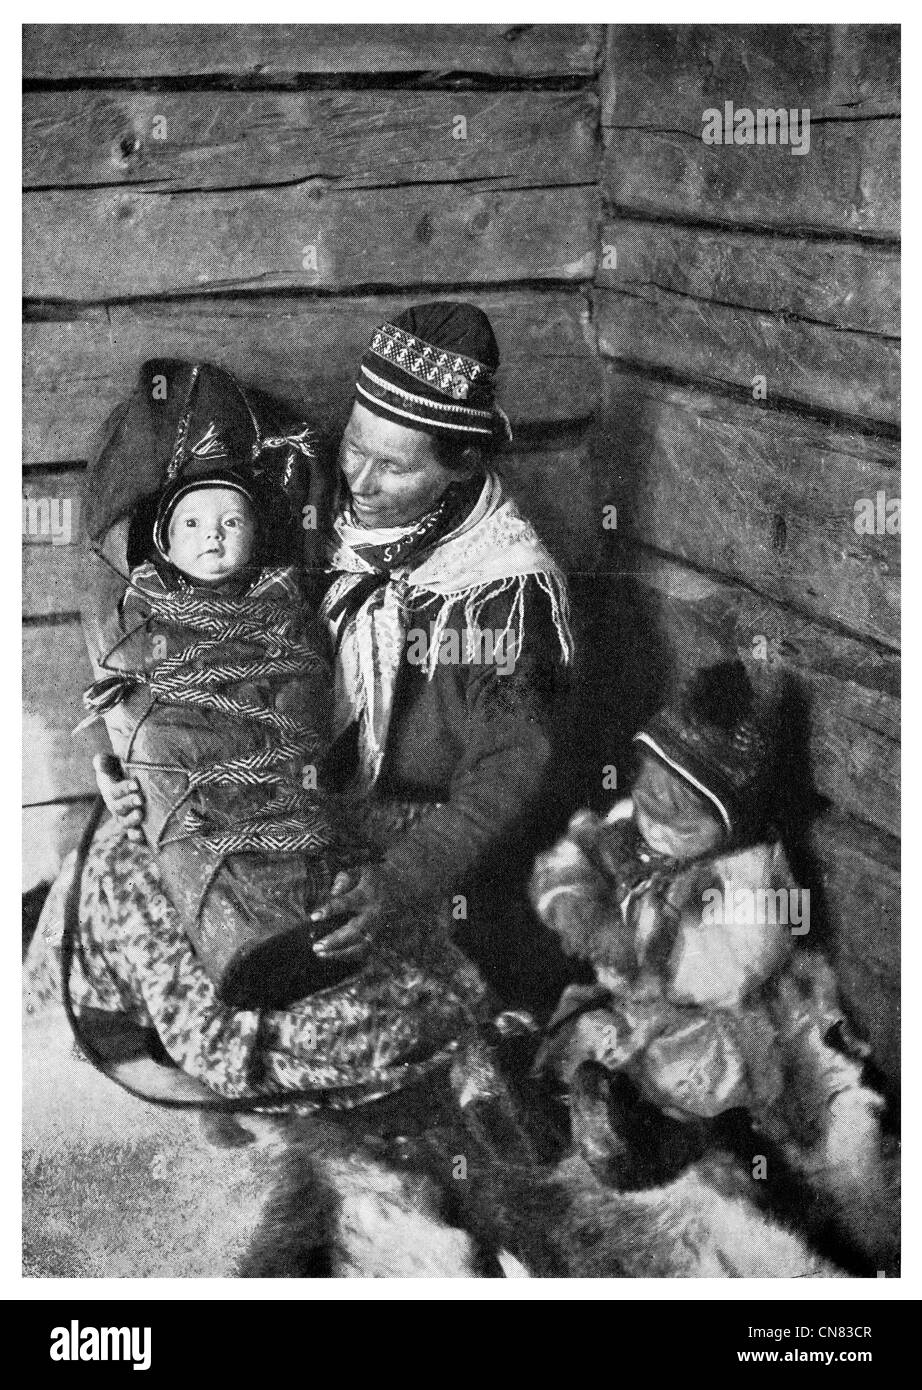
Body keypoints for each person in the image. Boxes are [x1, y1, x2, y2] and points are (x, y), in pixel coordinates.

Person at [27, 302, 575, 1108]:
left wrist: (400, 883)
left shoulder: (499, 601)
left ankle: (311, 1079)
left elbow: (507, 780)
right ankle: (72, 1063)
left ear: (460, 467)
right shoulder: (316, 510)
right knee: (116, 853)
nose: (361, 476)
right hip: (283, 795)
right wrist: (138, 760)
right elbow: (227, 661)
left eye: (395, 466)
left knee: (331, 1008)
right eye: (355, 443)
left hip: (403, 851)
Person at [530, 661, 893, 1259]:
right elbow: (572, 854)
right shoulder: (634, 829)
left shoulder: (753, 885)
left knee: (694, 1070)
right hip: (637, 996)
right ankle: (565, 1098)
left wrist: (638, 950)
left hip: (724, 1013)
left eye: (679, 816)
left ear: (730, 824)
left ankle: (682, 1138)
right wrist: (573, 905)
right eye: (647, 795)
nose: (653, 821)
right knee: (585, 1029)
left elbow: (732, 971)